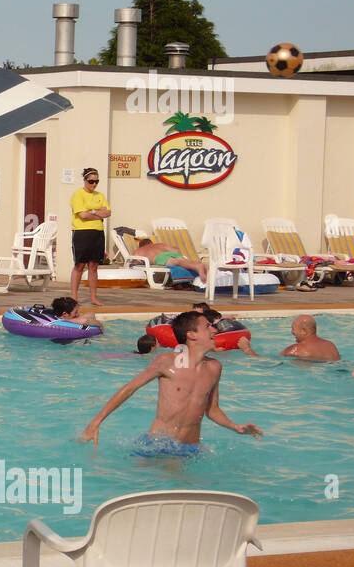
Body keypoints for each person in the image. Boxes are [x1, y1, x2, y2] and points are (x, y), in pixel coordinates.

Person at [80, 311, 263, 454]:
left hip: (191, 448)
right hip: (158, 445)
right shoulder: (166, 361)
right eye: (208, 326)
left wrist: (235, 427)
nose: (215, 330)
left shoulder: (215, 367)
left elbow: (212, 410)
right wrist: (96, 422)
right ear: (191, 334)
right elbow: (129, 389)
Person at [70, 168, 110, 306]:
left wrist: (91, 212)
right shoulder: (78, 195)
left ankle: (94, 297)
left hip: (98, 233)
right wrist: (98, 212)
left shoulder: (100, 195)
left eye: (96, 181)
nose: (94, 184)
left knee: (94, 266)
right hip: (82, 233)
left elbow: (108, 213)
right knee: (79, 265)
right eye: (91, 181)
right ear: (85, 180)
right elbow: (83, 216)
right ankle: (74, 297)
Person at [137, 237, 206, 284]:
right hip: (171, 252)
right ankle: (199, 266)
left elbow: (135, 261)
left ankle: (198, 266)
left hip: (160, 257)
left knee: (177, 262)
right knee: (183, 261)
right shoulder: (160, 245)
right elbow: (176, 250)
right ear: (151, 243)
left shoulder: (141, 250)